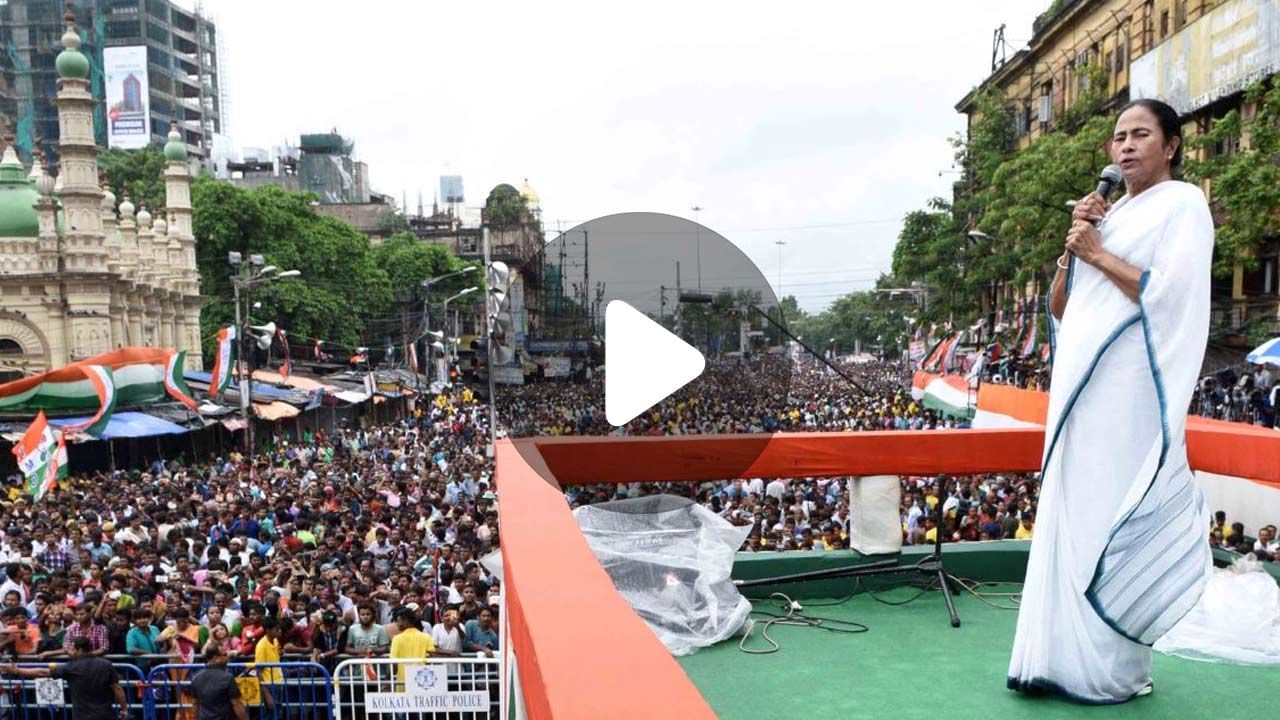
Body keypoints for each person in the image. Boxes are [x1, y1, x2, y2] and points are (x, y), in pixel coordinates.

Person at [1010, 98, 1214, 703]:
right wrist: (1077, 249)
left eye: (1140, 134)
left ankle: (1112, 671)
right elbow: (1061, 308)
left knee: (1109, 515)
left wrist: (1099, 252)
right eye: (1118, 137)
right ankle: (1056, 659)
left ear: (1170, 144)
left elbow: (1170, 295)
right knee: (1075, 513)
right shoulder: (1110, 214)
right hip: (1085, 390)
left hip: (1130, 389)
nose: (1125, 146)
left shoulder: (1185, 205)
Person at [3, 636, 128, 720]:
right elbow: (117, 688)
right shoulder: (105, 664)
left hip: (82, 715)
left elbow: (42, 672)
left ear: (79, 649)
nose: (68, 652)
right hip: (106, 714)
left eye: (71, 649)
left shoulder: (72, 667)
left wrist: (17, 670)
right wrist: (124, 709)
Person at [189, 642, 249, 720]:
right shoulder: (228, 678)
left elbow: (195, 705)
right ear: (215, 658)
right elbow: (236, 704)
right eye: (225, 655)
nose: (227, 658)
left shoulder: (196, 678)